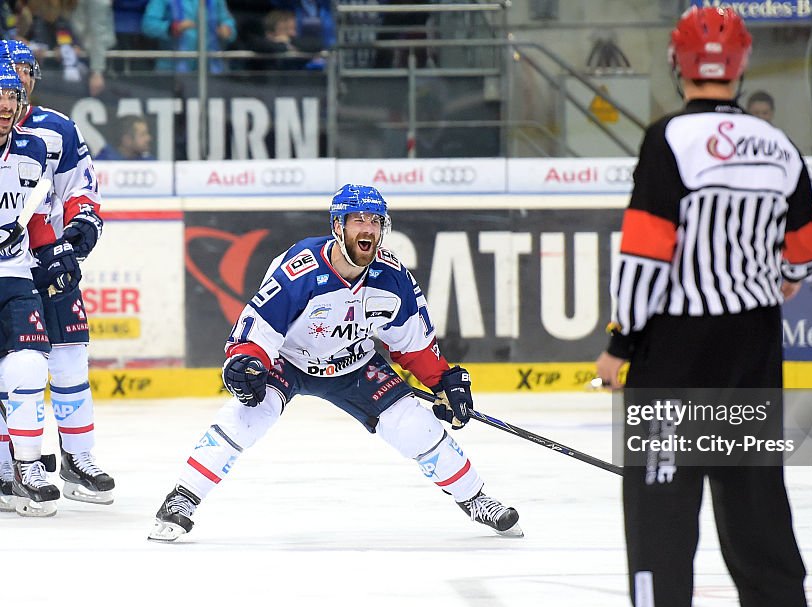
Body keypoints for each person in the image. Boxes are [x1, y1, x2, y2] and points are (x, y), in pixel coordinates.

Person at [594, 7, 812, 607]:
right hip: (751, 359)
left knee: (661, 526)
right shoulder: (779, 145)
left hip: (674, 362)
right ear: (742, 62)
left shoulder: (667, 139)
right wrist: (783, 279)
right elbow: (809, 249)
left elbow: (645, 252)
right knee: (759, 525)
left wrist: (620, 344)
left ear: (678, 62)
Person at [148, 184, 522, 542]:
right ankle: (181, 498)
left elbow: (414, 344)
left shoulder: (393, 280)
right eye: (358, 219)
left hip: (354, 365)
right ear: (337, 226)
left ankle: (476, 498)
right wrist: (246, 359)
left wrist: (442, 382)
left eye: (376, 221)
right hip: (290, 360)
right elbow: (259, 326)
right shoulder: (301, 270)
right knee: (247, 417)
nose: (369, 228)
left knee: (415, 426)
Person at [0, 39, 113, 513]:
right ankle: (12, 463)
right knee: (16, 365)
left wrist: (77, 233)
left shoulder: (55, 129)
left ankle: (77, 457)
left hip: (43, 258)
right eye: (10, 71)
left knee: (68, 359)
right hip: (20, 257)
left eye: (25, 71)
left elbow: (78, 190)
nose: (18, 79)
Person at [0, 62, 69, 517]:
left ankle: (28, 467)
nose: (4, 105)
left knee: (27, 365)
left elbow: (38, 214)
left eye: (10, 96)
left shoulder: (36, 149)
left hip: (15, 274)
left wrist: (56, 252)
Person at [141, 0, 236, 73]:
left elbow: (227, 21)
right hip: (171, 71)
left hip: (211, 71)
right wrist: (172, 28)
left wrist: (227, 30)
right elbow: (148, 25)